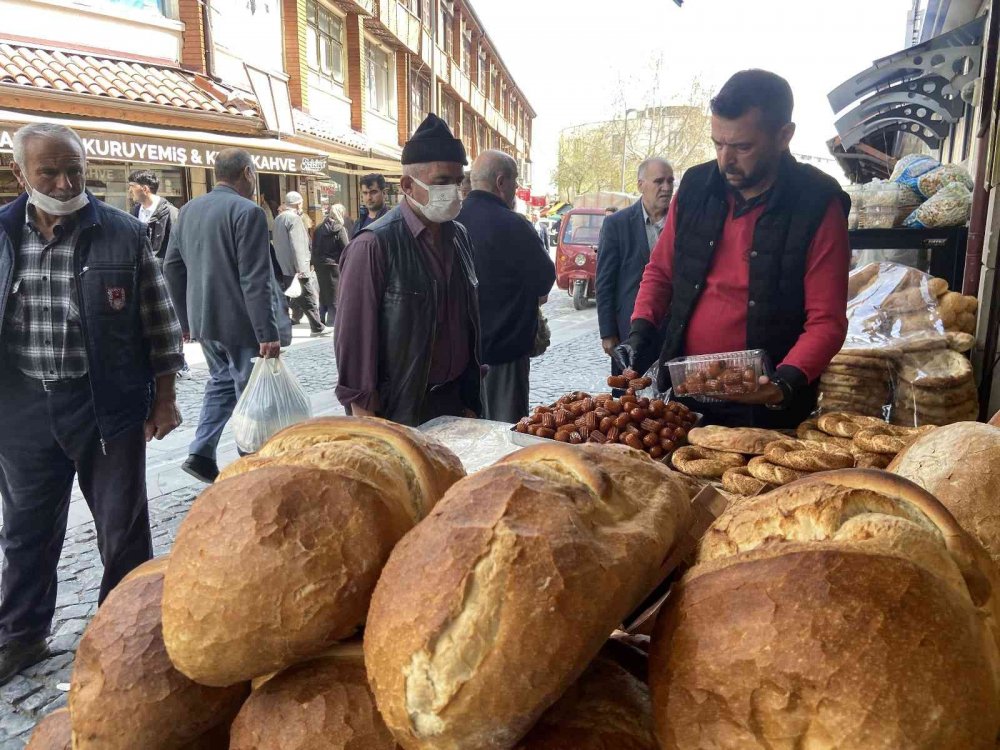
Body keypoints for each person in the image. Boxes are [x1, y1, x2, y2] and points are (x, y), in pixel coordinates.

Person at [0, 123, 184, 682]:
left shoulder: (123, 233)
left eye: (73, 170)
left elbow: (160, 322)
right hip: (23, 404)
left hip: (106, 403)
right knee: (26, 527)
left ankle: (128, 635)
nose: (63, 181)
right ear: (19, 174)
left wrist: (166, 397)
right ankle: (21, 636)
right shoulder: (2, 233)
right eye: (48, 172)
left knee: (123, 525)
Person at [619, 69, 850, 428]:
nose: (725, 160)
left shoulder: (817, 204)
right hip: (687, 393)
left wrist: (782, 383)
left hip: (770, 408)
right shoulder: (696, 187)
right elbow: (661, 272)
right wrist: (639, 333)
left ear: (784, 136)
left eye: (742, 147)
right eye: (717, 143)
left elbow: (827, 321)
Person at [335, 114, 482, 426]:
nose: (454, 191)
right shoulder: (373, 246)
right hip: (401, 414)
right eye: (443, 182)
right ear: (407, 186)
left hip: (456, 403)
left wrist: (469, 398)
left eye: (458, 182)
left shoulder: (460, 237)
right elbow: (355, 344)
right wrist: (368, 422)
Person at [164, 148, 291, 483]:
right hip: (241, 323)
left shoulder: (188, 210)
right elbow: (255, 278)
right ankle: (251, 466)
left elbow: (171, 267)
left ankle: (201, 452)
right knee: (251, 396)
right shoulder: (247, 211)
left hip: (205, 321)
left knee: (221, 383)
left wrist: (186, 320)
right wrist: (267, 332)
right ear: (248, 173)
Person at [457, 150, 555, 423]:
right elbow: (544, 280)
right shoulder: (514, 225)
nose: (516, 190)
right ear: (501, 182)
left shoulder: (450, 222)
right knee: (503, 435)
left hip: (458, 359)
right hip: (504, 354)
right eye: (515, 182)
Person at [596, 158, 674, 388]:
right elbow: (605, 282)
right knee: (628, 405)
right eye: (659, 181)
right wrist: (608, 333)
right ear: (640, 184)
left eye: (670, 181)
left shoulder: (683, 224)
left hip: (673, 334)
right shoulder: (617, 225)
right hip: (630, 334)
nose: (667, 187)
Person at [272, 191, 329, 337]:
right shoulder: (294, 219)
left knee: (290, 299)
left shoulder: (278, 219)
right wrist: (302, 269)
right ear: (298, 204)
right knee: (308, 297)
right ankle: (317, 327)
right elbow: (298, 246)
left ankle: (284, 328)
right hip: (296, 268)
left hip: (284, 267)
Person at [127, 169, 178, 262]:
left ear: (145, 189)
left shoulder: (171, 213)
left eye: (132, 186)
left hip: (162, 273)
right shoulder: (134, 212)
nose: (129, 190)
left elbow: (178, 247)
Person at [311, 204, 349, 326]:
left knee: (323, 291)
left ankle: (321, 317)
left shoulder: (318, 228)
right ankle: (333, 321)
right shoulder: (340, 229)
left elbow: (314, 247)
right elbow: (345, 248)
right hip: (334, 265)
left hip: (320, 265)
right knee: (335, 293)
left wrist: (314, 263)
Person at [353, 173, 389, 237]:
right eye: (365, 193)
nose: (369, 197)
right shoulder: (358, 223)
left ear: (384, 193)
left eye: (373, 192)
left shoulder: (392, 221)